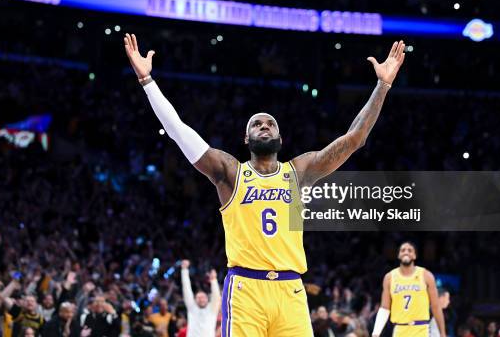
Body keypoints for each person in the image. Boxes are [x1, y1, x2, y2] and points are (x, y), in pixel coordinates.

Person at [124, 33, 407, 337]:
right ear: (246, 139)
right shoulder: (229, 172)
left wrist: (383, 86)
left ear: (280, 139)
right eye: (256, 124)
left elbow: (354, 139)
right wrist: (147, 81)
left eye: (270, 124)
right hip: (246, 289)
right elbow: (178, 131)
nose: (263, 126)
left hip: (291, 291)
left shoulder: (299, 171)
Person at [371, 242, 446, 337]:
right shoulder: (389, 277)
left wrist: (442, 333)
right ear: (398, 255)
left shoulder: (426, 275)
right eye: (403, 250)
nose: (406, 252)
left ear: (414, 256)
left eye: (410, 250)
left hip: (421, 330)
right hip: (399, 330)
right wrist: (376, 332)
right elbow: (385, 308)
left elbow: (436, 307)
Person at [180, 260, 221, 337]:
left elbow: (216, 296)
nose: (201, 299)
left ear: (207, 299)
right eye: (199, 297)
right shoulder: (192, 308)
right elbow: (186, 289)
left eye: (203, 297)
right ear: (195, 300)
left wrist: (213, 280)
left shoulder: (212, 309)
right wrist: (184, 270)